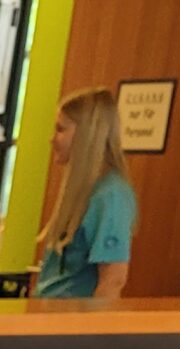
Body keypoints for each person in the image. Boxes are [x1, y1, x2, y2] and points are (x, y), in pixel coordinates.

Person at [33, 86, 136, 299]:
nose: (52, 139)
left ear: (87, 134)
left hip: (73, 316)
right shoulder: (83, 192)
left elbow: (113, 280)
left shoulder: (110, 196)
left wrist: (94, 322)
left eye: (60, 129)